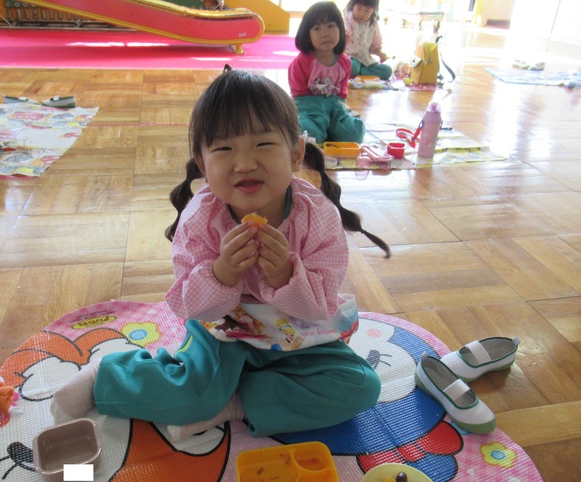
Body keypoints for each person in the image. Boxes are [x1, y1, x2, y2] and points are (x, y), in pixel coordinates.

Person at [50, 68, 390, 442]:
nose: (244, 163)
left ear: (295, 153)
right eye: (225, 149)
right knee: (192, 393)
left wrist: (285, 275)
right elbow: (187, 305)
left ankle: (234, 403)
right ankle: (110, 375)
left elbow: (322, 304)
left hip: (297, 333)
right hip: (224, 329)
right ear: (202, 163)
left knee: (360, 386)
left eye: (263, 144)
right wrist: (221, 273)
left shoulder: (317, 215)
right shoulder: (202, 217)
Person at [288, 1, 365, 145]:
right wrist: (318, 108)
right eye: (317, 28)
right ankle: (320, 126)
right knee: (309, 133)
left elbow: (342, 91)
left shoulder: (344, 61)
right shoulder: (302, 61)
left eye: (330, 26)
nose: (325, 34)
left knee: (353, 134)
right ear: (307, 35)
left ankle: (330, 125)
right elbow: (298, 93)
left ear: (340, 29)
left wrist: (335, 109)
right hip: (309, 105)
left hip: (334, 105)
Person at [343, 0, 393, 81]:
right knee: (353, 67)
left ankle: (359, 72)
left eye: (367, 11)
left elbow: (375, 44)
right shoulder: (347, 19)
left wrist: (380, 54)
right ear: (352, 5)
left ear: (373, 11)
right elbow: (343, 37)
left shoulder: (373, 23)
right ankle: (358, 72)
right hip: (351, 57)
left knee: (387, 71)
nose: (362, 14)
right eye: (359, 9)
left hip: (365, 60)